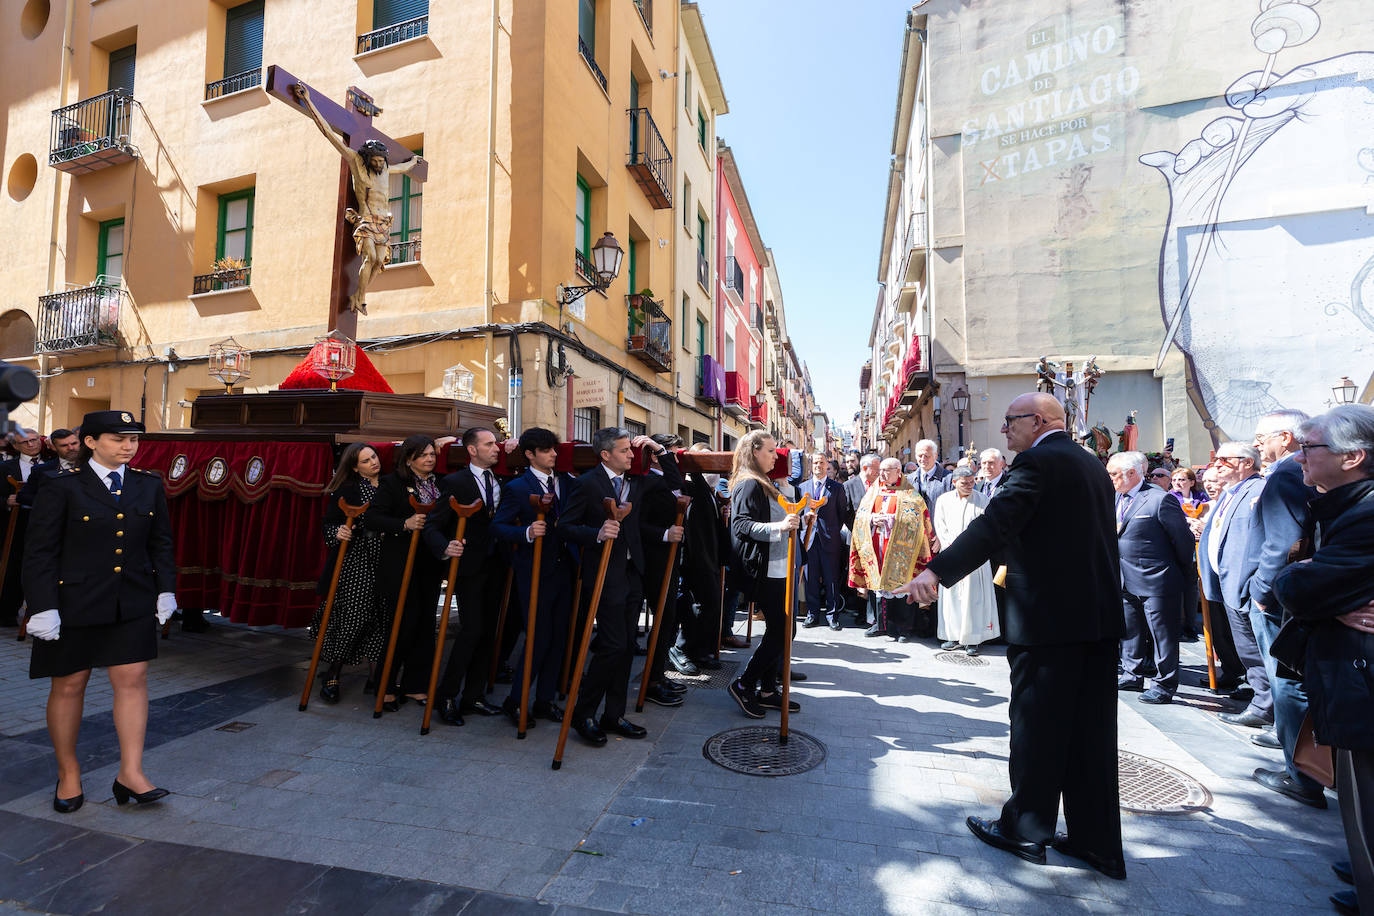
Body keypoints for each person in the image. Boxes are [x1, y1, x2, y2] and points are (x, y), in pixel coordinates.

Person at [902, 392, 1125, 880]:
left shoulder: (1036, 465)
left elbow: (993, 527)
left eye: (1010, 421)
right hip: (1098, 622)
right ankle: (1097, 843)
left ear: (1039, 421)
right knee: (1091, 736)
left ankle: (1025, 829)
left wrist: (935, 573)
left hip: (1048, 624)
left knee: (1037, 730)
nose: (1004, 431)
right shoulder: (1091, 465)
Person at [24, 410, 178, 812]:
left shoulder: (148, 485)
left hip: (130, 599)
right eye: (117, 438)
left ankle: (131, 772)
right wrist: (42, 607)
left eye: (134, 439)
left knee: (133, 679)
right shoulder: (61, 486)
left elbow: (160, 543)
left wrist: (166, 590)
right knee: (70, 684)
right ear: (90, 441)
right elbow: (40, 552)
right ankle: (69, 773)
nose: (128, 446)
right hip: (73, 603)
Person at [1273, 404, 1374, 915]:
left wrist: (1308, 578)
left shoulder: (1365, 514)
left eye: (1309, 446)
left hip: (1361, 676)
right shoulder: (1342, 506)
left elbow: (1298, 585)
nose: (1299, 455)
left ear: (1353, 457)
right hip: (1348, 668)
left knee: (1365, 796)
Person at [560, 428, 675, 746]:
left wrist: (660, 452)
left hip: (631, 574)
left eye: (631, 450)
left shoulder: (638, 481)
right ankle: (583, 714)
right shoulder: (586, 484)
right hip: (604, 577)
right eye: (625, 450)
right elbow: (565, 527)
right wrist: (597, 533)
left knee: (625, 650)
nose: (631, 455)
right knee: (613, 646)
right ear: (606, 454)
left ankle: (614, 714)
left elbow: (673, 483)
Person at [1248, 410, 1327, 807]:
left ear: (1285, 437)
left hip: (1280, 597)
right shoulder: (1292, 472)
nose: (1257, 442)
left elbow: (1283, 542)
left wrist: (1262, 590)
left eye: (1262, 436)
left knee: (1286, 681)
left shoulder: (1284, 475)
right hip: (1292, 592)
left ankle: (1302, 776)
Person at [489, 427, 579, 727]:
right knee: (538, 637)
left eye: (554, 449)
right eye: (546, 450)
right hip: (535, 570)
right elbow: (498, 527)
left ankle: (543, 701)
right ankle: (514, 701)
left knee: (558, 637)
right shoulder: (517, 487)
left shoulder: (565, 482)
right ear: (530, 454)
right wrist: (526, 533)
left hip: (564, 568)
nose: (554, 454)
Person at [421, 427, 507, 726]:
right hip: (468, 569)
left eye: (496, 444)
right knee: (471, 630)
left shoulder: (501, 481)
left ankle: (473, 697)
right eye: (489, 444)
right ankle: (446, 695)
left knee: (488, 633)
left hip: (496, 568)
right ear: (472, 450)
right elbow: (433, 525)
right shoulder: (455, 482)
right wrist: (445, 546)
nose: (496, 448)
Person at [726, 431, 803, 719]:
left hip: (778, 565)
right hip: (764, 568)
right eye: (771, 451)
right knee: (783, 630)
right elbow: (742, 525)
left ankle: (768, 690)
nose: (776, 456)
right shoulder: (748, 484)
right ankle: (744, 684)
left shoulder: (765, 482)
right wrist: (780, 528)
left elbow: (778, 512)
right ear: (754, 451)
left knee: (781, 628)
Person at [1108, 451, 1195, 704]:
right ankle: (1131, 673)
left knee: (1162, 635)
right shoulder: (1114, 498)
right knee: (1130, 630)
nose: (1111, 479)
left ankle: (1164, 683)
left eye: (1114, 474)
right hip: (1124, 577)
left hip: (1157, 579)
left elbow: (1183, 540)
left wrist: (1177, 571)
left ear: (1132, 474)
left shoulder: (1159, 499)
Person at [365, 434, 444, 712]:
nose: (430, 459)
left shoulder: (439, 484)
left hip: (430, 564)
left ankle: (415, 685)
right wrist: (405, 524)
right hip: (401, 563)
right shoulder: (392, 483)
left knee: (425, 624)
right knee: (403, 624)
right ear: (409, 459)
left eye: (432, 454)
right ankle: (385, 686)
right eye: (424, 455)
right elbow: (372, 518)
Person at [1201, 442, 1273, 726]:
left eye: (1223, 460)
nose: (1216, 464)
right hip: (1229, 584)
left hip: (1247, 586)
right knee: (1246, 650)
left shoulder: (1258, 490)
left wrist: (1257, 584)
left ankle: (1266, 707)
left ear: (1245, 463)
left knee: (1256, 651)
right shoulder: (1231, 492)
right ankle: (1262, 701)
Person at [311, 443, 387, 704]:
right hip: (358, 558)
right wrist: (338, 532)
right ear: (355, 467)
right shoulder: (348, 489)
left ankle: (376, 678)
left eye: (374, 457)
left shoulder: (390, 485)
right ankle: (333, 672)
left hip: (387, 558)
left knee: (382, 614)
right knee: (354, 615)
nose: (373, 463)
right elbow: (329, 524)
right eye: (366, 461)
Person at [849, 458, 934, 644]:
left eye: (887, 470)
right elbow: (860, 516)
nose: (882, 474)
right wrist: (871, 519)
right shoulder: (873, 491)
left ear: (898, 471)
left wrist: (894, 521)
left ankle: (904, 628)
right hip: (877, 545)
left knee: (900, 586)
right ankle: (880, 625)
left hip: (901, 548)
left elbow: (918, 520)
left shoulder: (910, 494)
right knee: (878, 586)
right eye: (881, 470)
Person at [637, 434, 689, 707]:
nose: (676, 457)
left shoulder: (665, 480)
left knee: (668, 620)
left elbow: (676, 484)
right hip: (655, 560)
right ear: (656, 456)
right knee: (662, 619)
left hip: (670, 559)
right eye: (670, 452)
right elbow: (637, 524)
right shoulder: (646, 481)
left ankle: (658, 674)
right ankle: (651, 683)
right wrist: (664, 534)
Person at [674, 443, 729, 670]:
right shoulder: (691, 486)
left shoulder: (710, 491)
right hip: (695, 559)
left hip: (711, 558)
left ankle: (700, 651)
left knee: (711, 606)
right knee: (698, 607)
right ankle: (682, 648)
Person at [933, 467, 998, 654]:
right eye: (964, 483)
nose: (969, 486)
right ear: (954, 482)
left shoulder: (983, 500)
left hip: (976, 558)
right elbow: (940, 526)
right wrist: (951, 549)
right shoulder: (943, 501)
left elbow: (987, 527)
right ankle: (952, 636)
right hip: (952, 555)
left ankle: (973, 638)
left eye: (972, 482)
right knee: (952, 598)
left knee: (974, 598)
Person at [0, 427, 45, 626]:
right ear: (16, 446)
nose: (32, 444)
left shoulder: (53, 464)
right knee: (13, 568)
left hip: (45, 525)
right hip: (16, 524)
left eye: (35, 440)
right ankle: (7, 612)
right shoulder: (5, 468)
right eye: (26, 442)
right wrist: (5, 502)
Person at [800, 453, 848, 631]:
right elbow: (799, 511)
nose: (818, 465)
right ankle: (812, 615)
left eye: (822, 462)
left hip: (830, 540)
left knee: (831, 579)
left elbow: (841, 513)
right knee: (810, 578)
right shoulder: (802, 487)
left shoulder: (836, 488)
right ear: (811, 465)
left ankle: (832, 615)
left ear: (827, 465)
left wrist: (831, 530)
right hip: (809, 540)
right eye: (815, 463)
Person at [17, 429, 80, 509]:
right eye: (64, 445)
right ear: (54, 447)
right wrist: (52, 503)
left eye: (74, 443)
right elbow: (23, 496)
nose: (71, 448)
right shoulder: (41, 470)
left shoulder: (93, 464)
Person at [908, 439, 949, 505]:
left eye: (926, 456)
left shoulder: (948, 479)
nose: (923, 459)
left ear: (935, 456)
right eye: (920, 456)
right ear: (915, 456)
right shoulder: (909, 480)